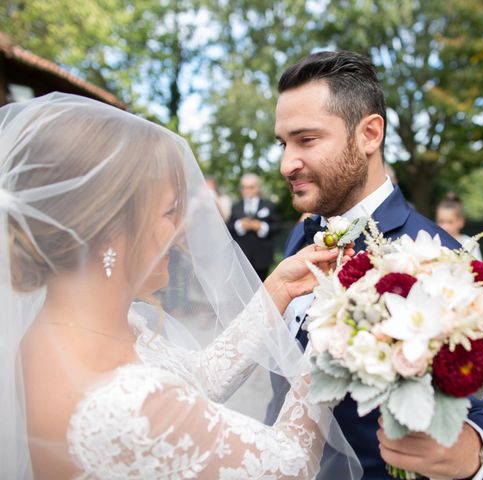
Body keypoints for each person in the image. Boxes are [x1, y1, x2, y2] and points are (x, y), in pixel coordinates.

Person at [0, 93, 362, 479]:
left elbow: (199, 377)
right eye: (170, 212)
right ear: (109, 229)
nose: (182, 232)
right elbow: (291, 464)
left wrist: (278, 289)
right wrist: (333, 334)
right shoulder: (129, 407)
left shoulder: (58, 330)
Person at [268, 50, 483, 480]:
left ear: (369, 134)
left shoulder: (434, 253)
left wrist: (472, 453)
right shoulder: (302, 237)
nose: (287, 163)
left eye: (305, 140)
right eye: (283, 143)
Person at [228, 173, 280, 280]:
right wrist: (240, 225)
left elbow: (277, 226)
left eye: (251, 187)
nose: (247, 190)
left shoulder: (268, 205)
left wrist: (262, 227)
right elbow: (229, 227)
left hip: (262, 256)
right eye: (244, 187)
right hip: (242, 255)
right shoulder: (236, 206)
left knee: (262, 285)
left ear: (258, 188)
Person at [436, 192, 483, 260]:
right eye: (441, 221)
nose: (445, 226)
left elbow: (479, 266)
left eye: (450, 222)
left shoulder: (469, 243)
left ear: (461, 222)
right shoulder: (435, 242)